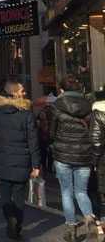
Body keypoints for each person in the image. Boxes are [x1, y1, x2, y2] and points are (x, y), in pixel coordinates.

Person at [0, 80, 40, 240]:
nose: (25, 93)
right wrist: (36, 165)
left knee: (4, 194)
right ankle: (16, 225)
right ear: (14, 93)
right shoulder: (26, 114)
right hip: (22, 160)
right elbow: (33, 141)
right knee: (19, 196)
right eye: (22, 91)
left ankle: (10, 217)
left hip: (3, 158)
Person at [50, 75, 99, 241]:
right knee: (81, 191)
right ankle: (90, 220)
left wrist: (55, 141)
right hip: (84, 153)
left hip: (62, 153)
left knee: (66, 192)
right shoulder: (88, 104)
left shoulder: (57, 105)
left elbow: (52, 131)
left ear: (61, 89)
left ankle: (71, 227)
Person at [90, 90, 105, 235]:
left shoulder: (97, 113)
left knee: (101, 192)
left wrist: (93, 161)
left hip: (103, 159)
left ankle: (102, 224)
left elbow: (96, 141)